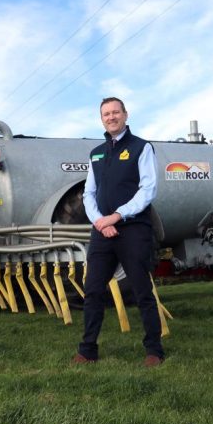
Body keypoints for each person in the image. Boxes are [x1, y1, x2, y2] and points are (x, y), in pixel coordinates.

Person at [72, 97, 165, 367]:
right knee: (92, 291)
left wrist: (118, 215)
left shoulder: (141, 147)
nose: (111, 117)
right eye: (106, 114)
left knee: (141, 289)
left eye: (115, 112)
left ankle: (154, 350)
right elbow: (89, 193)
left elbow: (148, 189)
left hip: (134, 227)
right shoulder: (97, 153)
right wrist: (101, 221)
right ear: (101, 119)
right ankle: (87, 349)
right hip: (102, 230)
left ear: (125, 114)